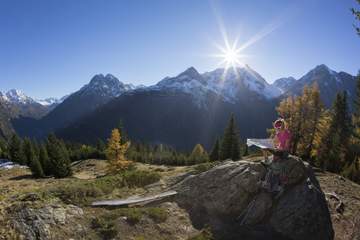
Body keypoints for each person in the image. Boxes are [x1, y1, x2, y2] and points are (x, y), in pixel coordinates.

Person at [261, 118, 292, 197]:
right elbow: (274, 142)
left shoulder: (287, 133)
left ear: (282, 126)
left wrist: (278, 148)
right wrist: (270, 145)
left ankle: (276, 185)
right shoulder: (278, 134)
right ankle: (267, 162)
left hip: (284, 152)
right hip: (278, 151)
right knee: (264, 148)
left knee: (276, 166)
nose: (277, 129)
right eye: (276, 127)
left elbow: (287, 147)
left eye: (278, 127)